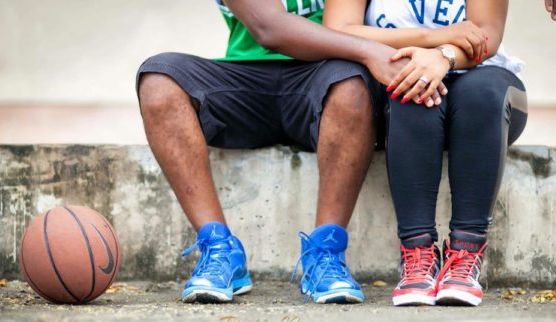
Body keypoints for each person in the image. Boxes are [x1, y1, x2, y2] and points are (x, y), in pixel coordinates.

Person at [136, 0, 427, 304]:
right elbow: (268, 27)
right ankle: (220, 249)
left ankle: (325, 253)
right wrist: (370, 50)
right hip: (244, 80)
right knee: (159, 80)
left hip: (326, 76)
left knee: (352, 86)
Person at [324, 0, 528, 306]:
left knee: (480, 94)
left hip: (486, 87)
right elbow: (338, 30)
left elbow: (486, 35)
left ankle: (465, 254)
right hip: (399, 81)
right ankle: (417, 253)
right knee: (411, 87)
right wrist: (429, 42)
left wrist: (444, 57)